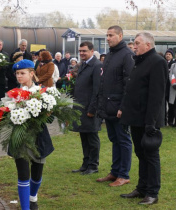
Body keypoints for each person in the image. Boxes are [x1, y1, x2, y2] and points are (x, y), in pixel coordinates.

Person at [120, 32, 168, 205]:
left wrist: (151, 122)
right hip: (136, 117)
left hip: (148, 119)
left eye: (137, 43)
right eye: (134, 43)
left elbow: (157, 95)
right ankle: (142, 188)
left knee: (151, 155)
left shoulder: (157, 62)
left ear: (148, 45)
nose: (134, 46)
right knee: (141, 154)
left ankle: (152, 193)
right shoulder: (138, 61)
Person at [12, 59, 54, 210]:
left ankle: (33, 198)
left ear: (31, 74)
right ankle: (25, 208)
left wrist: (47, 112)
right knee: (23, 174)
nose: (19, 76)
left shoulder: (43, 92)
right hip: (20, 139)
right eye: (17, 73)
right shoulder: (12, 94)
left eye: (22, 73)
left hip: (39, 139)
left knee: (36, 174)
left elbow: (50, 119)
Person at [96, 25, 134, 186]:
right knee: (114, 139)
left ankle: (124, 175)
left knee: (123, 140)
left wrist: (123, 107)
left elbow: (129, 83)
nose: (108, 38)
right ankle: (115, 171)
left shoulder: (127, 55)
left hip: (119, 107)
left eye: (111, 35)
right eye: (107, 35)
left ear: (120, 35)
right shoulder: (111, 55)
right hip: (108, 105)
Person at [72, 41, 102, 175]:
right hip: (80, 107)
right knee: (84, 136)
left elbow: (97, 90)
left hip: (90, 108)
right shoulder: (83, 64)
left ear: (91, 51)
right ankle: (85, 163)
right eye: (80, 51)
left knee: (92, 137)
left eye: (84, 51)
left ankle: (93, 165)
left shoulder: (96, 65)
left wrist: (92, 109)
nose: (82, 53)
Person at [165, 49, 175, 126]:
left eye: (169, 54)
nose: (168, 55)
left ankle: (170, 120)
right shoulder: (163, 62)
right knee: (163, 106)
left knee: (171, 105)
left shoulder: (174, 64)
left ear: (172, 56)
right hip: (164, 87)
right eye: (167, 54)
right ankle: (164, 120)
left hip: (171, 87)